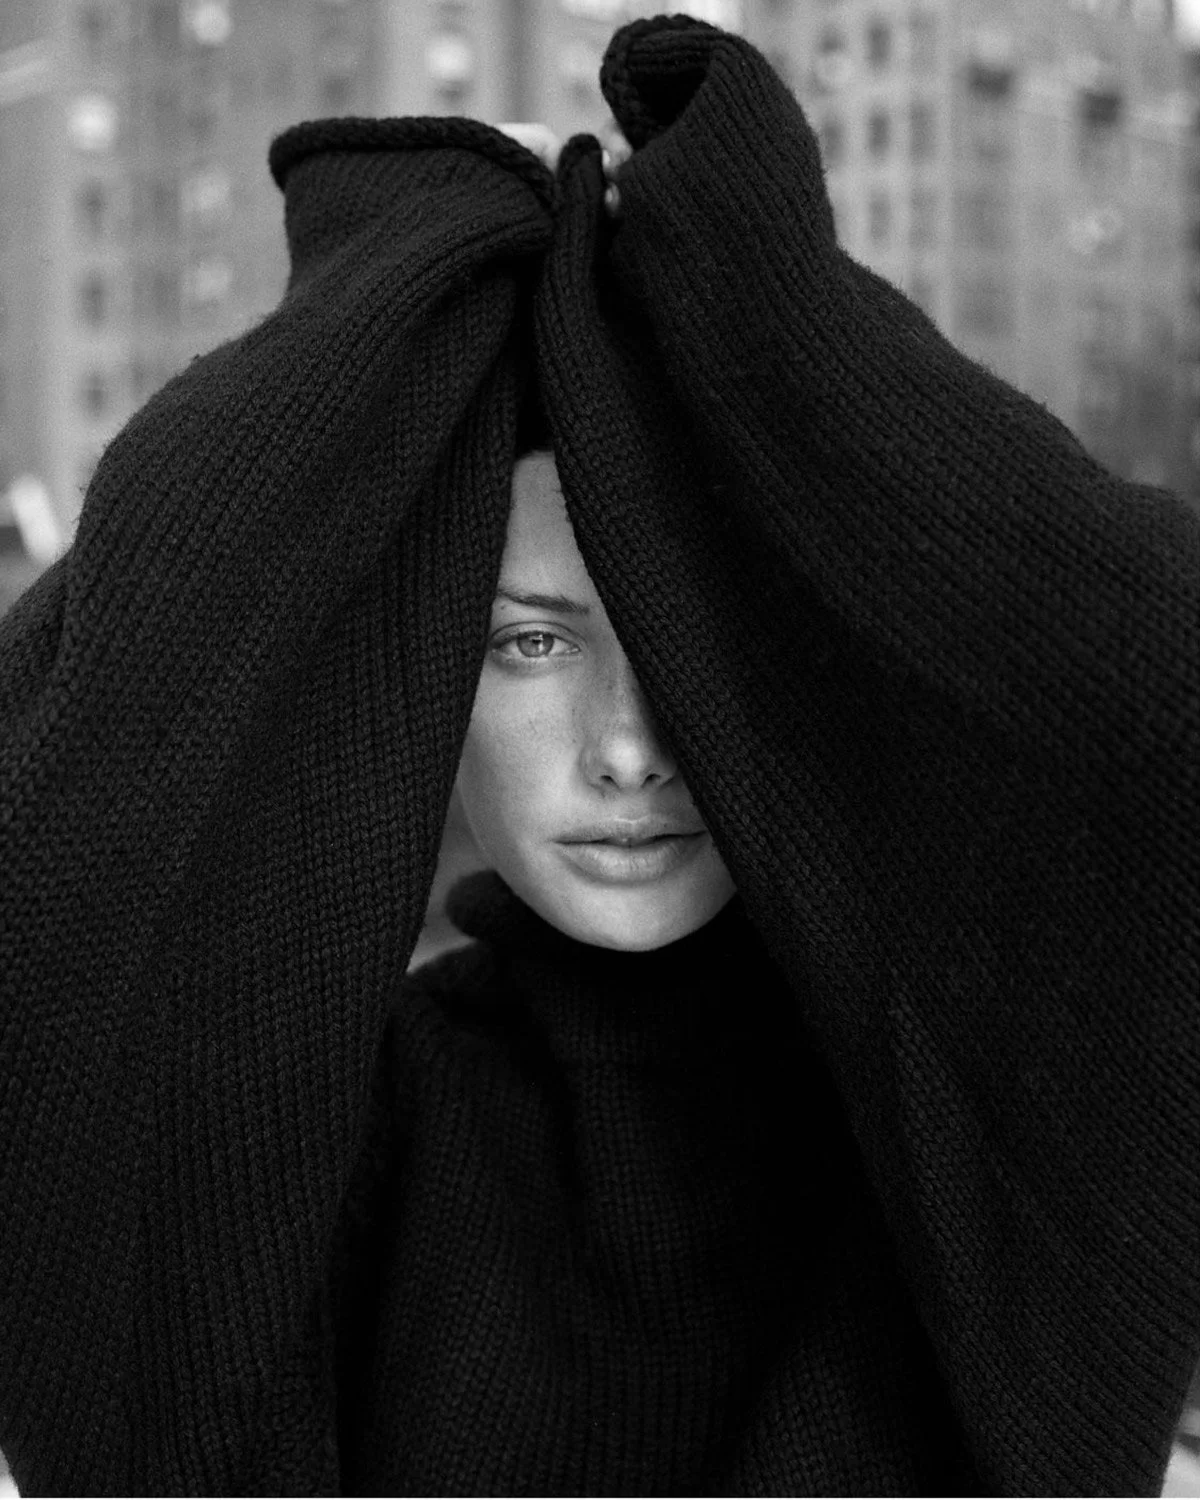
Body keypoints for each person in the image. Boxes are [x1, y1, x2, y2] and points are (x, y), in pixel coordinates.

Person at [1, 15, 1198, 1497]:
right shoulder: (323, 1147)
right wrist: (397, 296)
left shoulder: (967, 1128)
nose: (630, 750)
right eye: (534, 644)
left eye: (689, 647)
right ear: (427, 669)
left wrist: (768, 323)